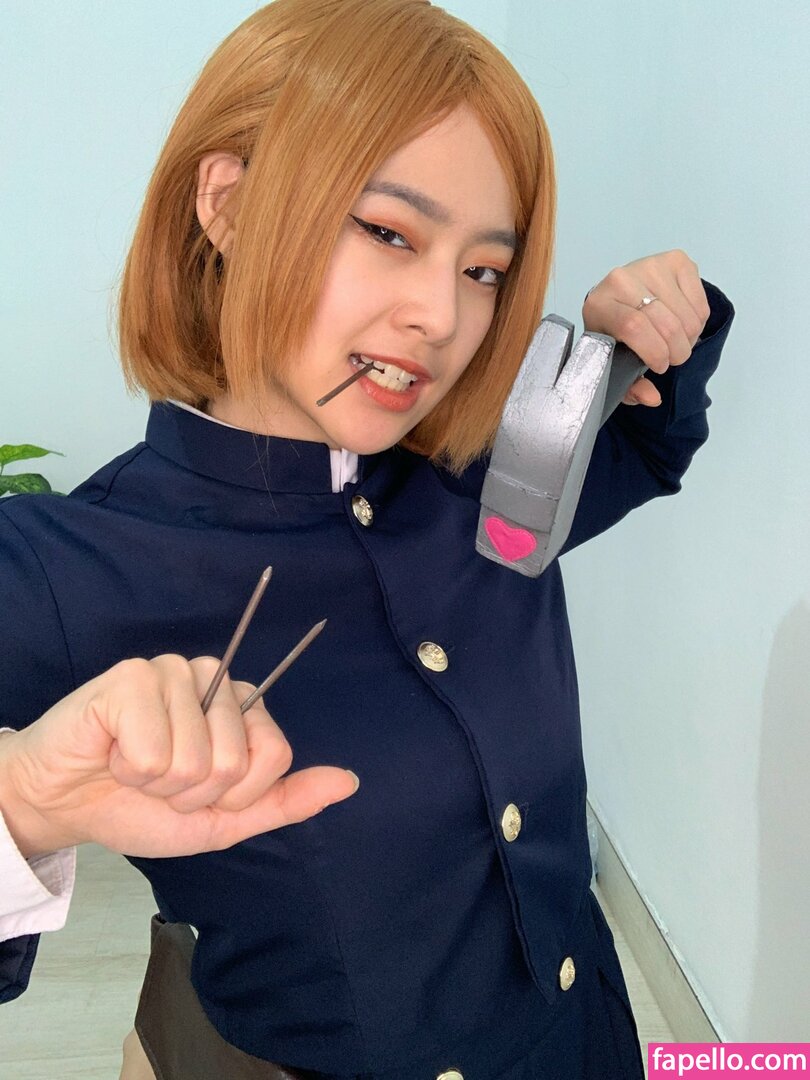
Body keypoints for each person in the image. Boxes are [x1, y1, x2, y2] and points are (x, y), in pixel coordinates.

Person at [0, 0, 734, 1077]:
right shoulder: (55, 571)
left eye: (484, 270)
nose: (442, 316)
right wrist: (19, 807)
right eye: (389, 232)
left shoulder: (486, 477)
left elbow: (646, 449)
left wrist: (669, 327)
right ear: (229, 205)